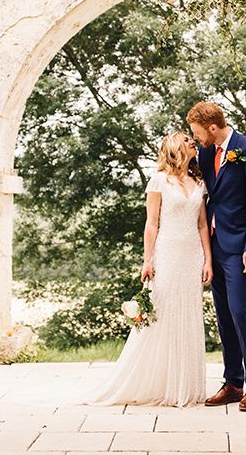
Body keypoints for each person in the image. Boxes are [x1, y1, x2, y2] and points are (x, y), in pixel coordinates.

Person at [78, 131, 213, 407]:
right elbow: (151, 224)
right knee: (162, 313)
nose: (193, 142)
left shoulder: (199, 180)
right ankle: (156, 382)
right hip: (167, 252)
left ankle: (184, 386)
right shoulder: (158, 180)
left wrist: (208, 260)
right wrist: (147, 260)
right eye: (187, 139)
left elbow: (202, 225)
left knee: (188, 313)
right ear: (175, 147)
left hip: (192, 255)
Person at [187, 101, 246, 412]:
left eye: (197, 132)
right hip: (213, 245)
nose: (196, 139)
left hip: (240, 247)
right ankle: (233, 382)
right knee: (223, 315)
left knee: (240, 311)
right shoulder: (206, 152)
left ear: (212, 126)